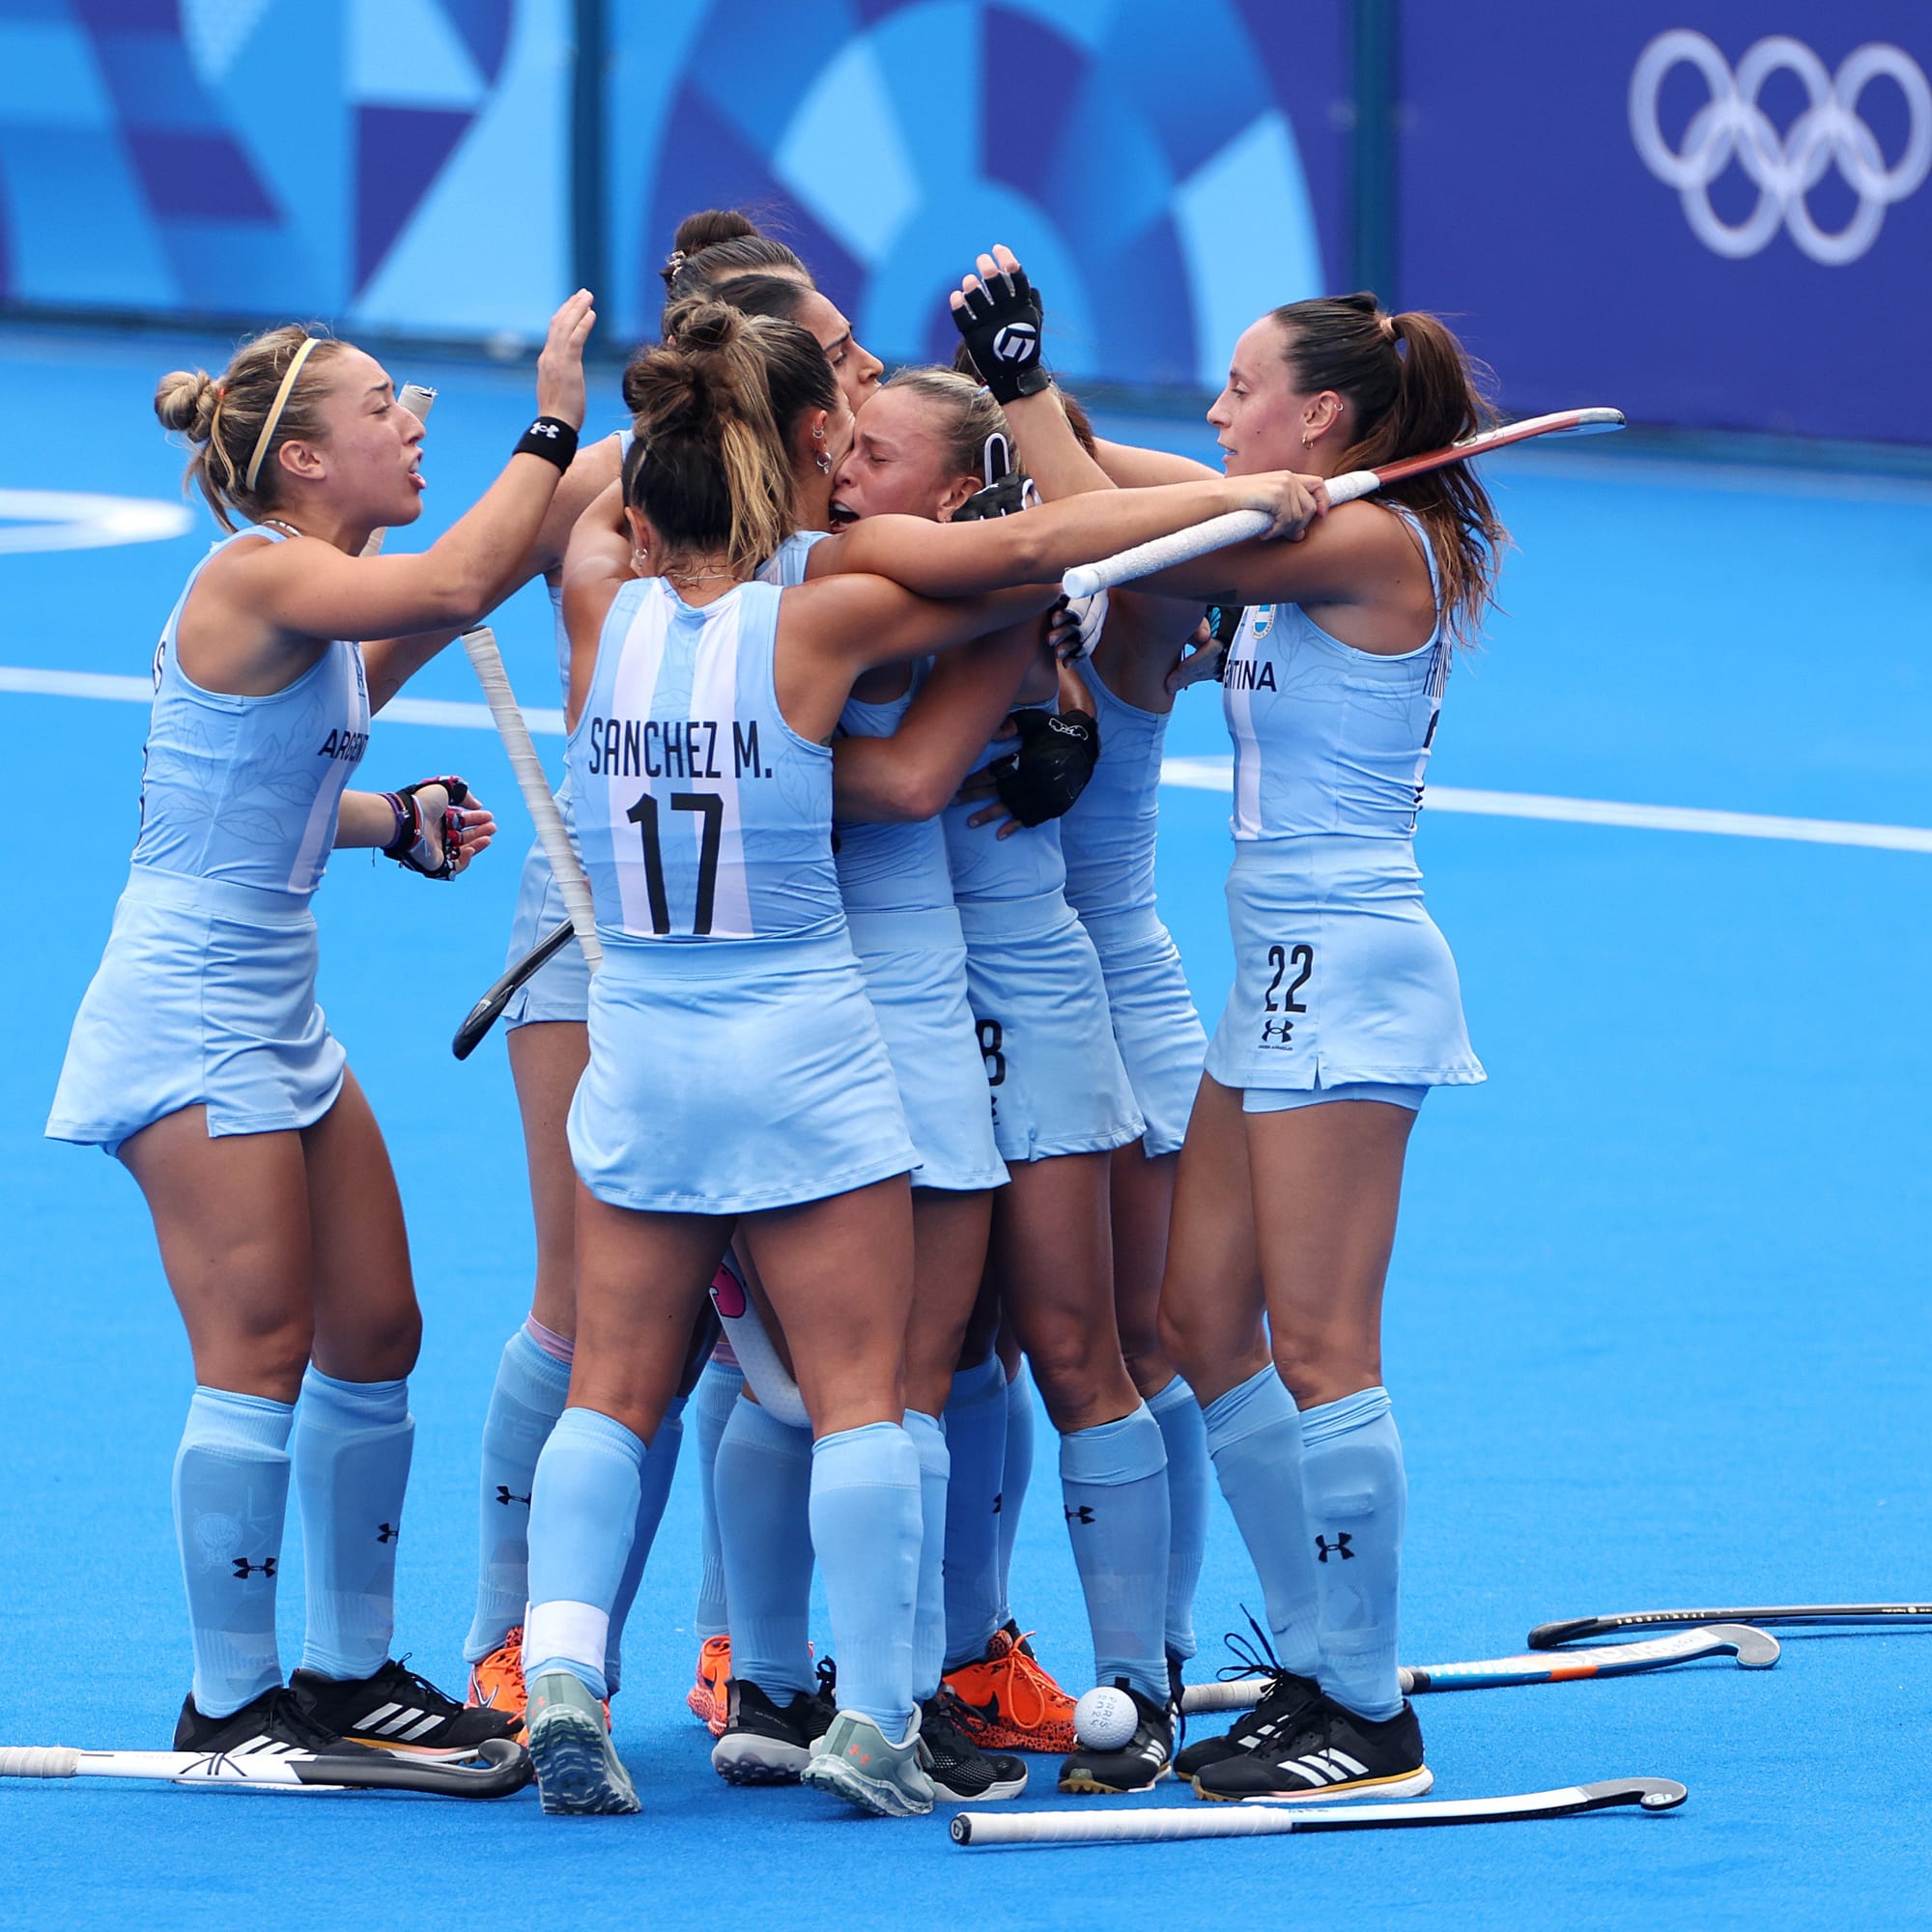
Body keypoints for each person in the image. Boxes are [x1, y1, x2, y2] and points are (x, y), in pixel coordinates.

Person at [957, 247, 1501, 1802]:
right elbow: (1132, 480)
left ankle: (1365, 1707)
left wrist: (1019, 386)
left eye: (1243, 391)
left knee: (1324, 1344)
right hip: (1275, 971)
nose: (1215, 411)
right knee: (1203, 1325)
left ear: (1320, 416)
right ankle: (1317, 1652)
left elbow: (1128, 532)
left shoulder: (1371, 544)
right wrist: (1039, 406)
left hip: (1356, 966)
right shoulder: (1305, 523)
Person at [45, 293, 597, 1761]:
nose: (413, 421)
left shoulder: (323, 606)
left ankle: (351, 1677)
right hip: (186, 1014)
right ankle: (229, 1705)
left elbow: (287, 779)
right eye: (382, 407)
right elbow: (463, 582)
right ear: (300, 462)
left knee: (377, 1328)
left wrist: (393, 819)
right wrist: (552, 417)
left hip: (278, 1004)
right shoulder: (258, 578)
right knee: (261, 1346)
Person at [821, 366, 1321, 1795]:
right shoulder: (858, 573)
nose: (844, 464)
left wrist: (1046, 420)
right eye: (839, 443)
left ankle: (1142, 1679)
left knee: (1093, 1346)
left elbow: (1109, 511)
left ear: (973, 483)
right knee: (925, 1361)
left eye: (876, 449)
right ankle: (911, 1685)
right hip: (900, 1004)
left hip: (1054, 992)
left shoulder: (1084, 582)